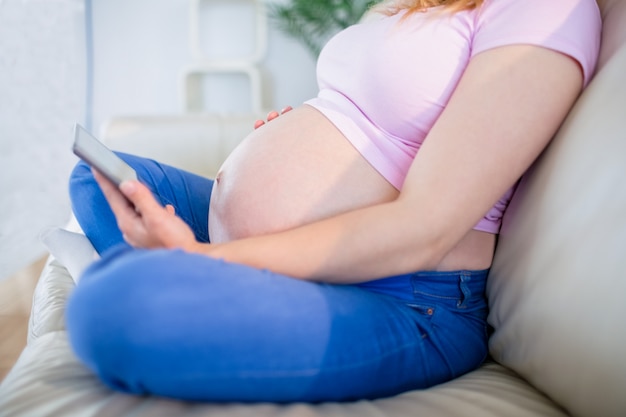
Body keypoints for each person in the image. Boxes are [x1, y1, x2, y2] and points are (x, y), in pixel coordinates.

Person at [66, 0, 601, 403]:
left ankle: (195, 279)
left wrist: (205, 258)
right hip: (305, 248)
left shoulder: (547, 11)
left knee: (107, 308)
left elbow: (427, 228)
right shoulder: (428, 5)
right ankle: (218, 283)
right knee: (99, 180)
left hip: (406, 295)